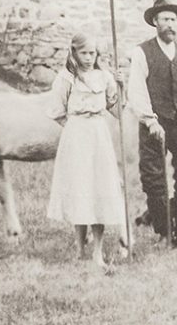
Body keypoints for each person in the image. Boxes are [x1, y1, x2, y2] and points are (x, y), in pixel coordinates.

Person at [127, 0, 177, 248]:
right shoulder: (142, 52)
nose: (171, 24)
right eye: (165, 19)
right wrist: (150, 121)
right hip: (154, 122)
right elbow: (136, 90)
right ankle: (164, 233)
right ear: (155, 22)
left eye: (174, 20)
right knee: (153, 177)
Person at [46, 34, 128, 267]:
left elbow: (118, 111)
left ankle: (97, 252)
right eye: (84, 53)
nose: (89, 58)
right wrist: (75, 129)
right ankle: (80, 249)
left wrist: (121, 87)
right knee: (80, 188)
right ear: (74, 53)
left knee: (99, 188)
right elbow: (57, 111)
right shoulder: (66, 78)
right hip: (76, 135)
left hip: (98, 135)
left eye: (93, 53)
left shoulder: (104, 77)